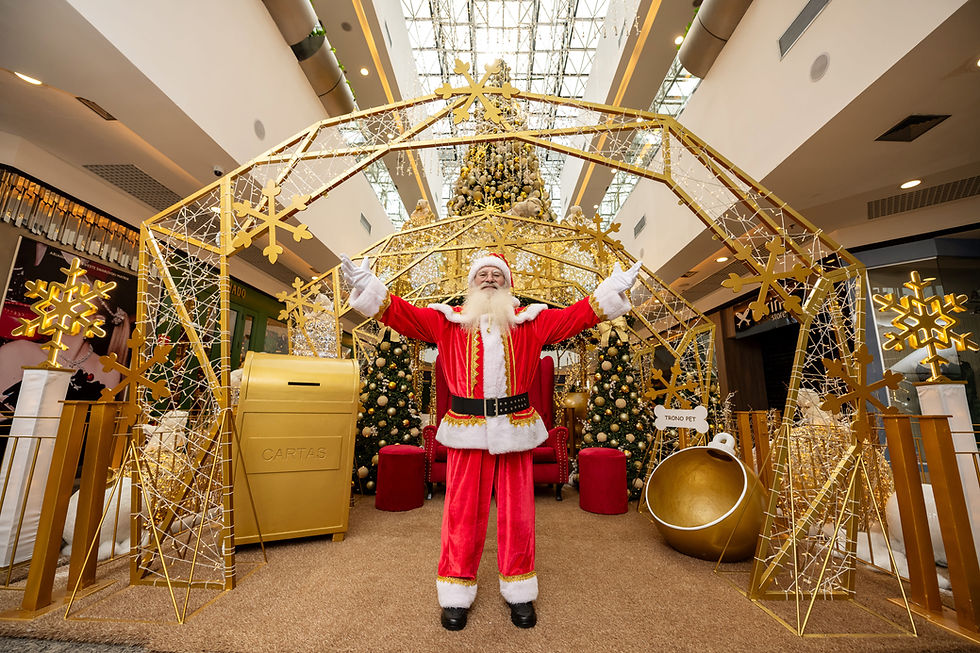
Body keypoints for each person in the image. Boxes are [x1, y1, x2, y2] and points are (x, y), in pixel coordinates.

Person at [341, 251, 641, 631]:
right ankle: (455, 590)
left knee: (519, 514)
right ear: (470, 284)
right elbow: (400, 313)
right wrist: (366, 285)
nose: (488, 279)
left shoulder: (531, 322)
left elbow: (578, 314)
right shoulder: (446, 322)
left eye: (496, 275)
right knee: (461, 513)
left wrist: (612, 288)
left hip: (515, 428)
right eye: (481, 274)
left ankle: (519, 591)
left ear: (508, 283)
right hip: (467, 429)